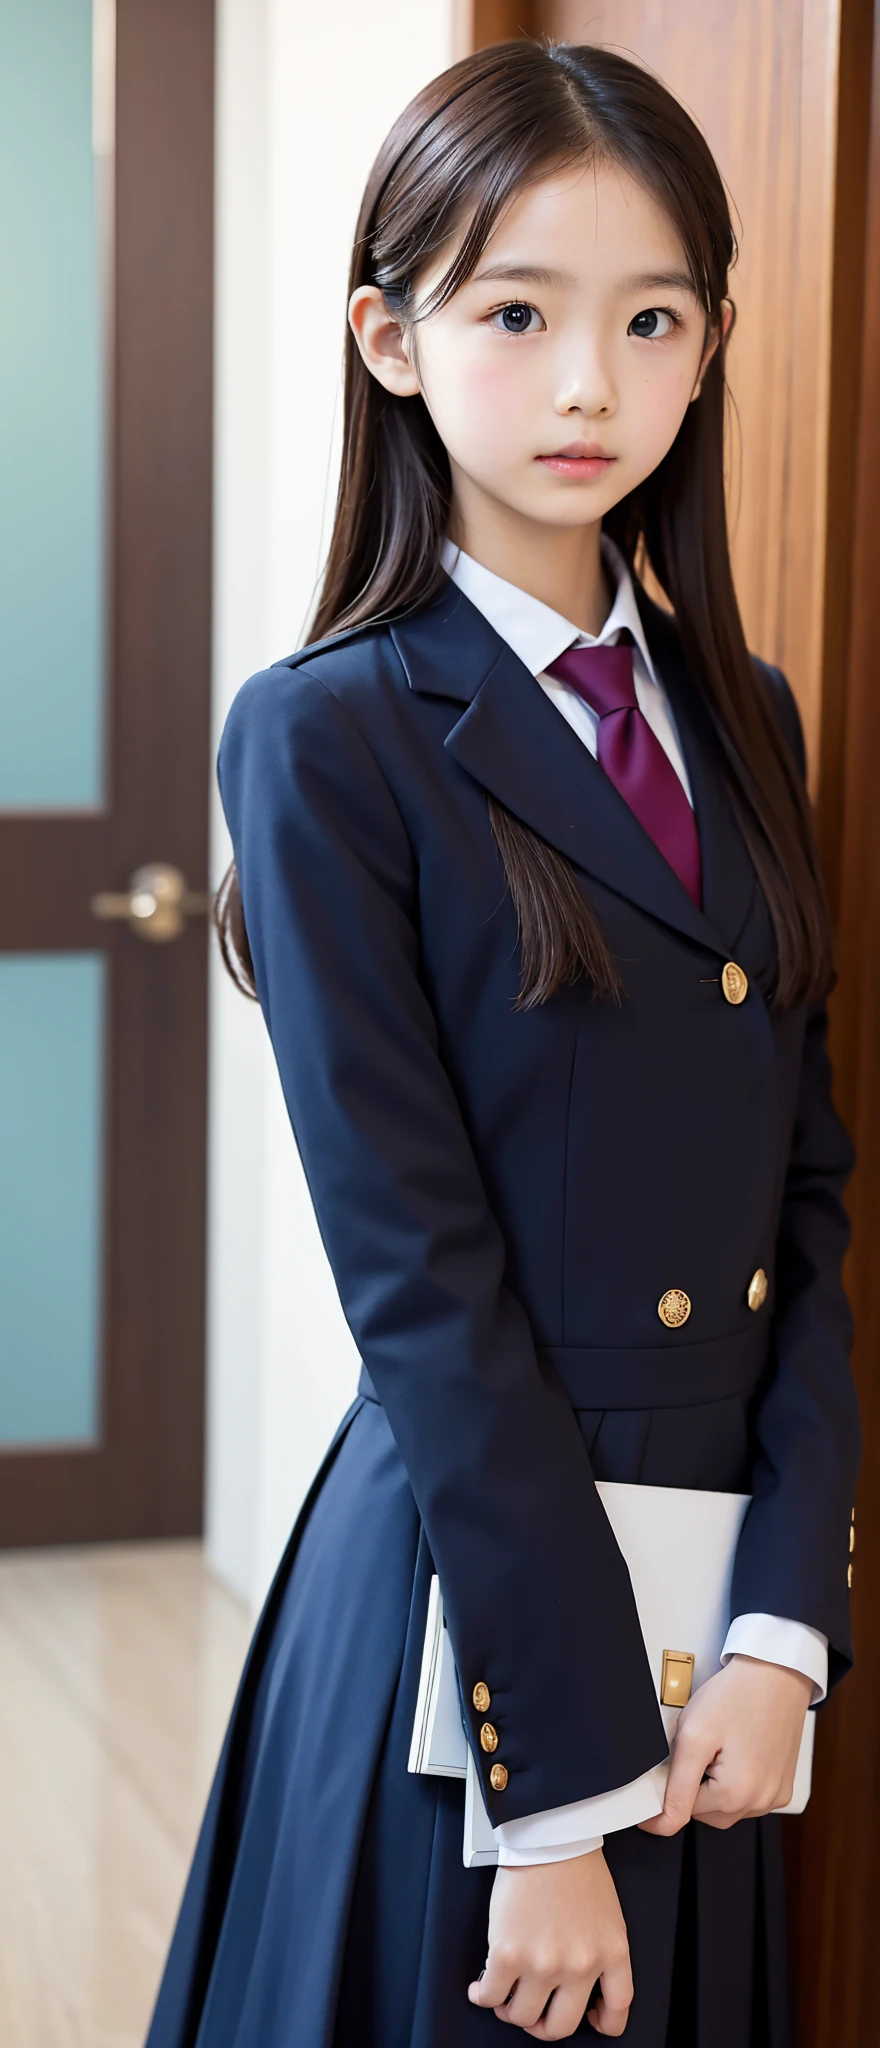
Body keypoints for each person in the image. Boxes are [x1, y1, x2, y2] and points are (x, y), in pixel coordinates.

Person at [145, 40, 860, 2048]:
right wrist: (545, 1788)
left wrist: (782, 1630)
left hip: (707, 1624)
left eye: (647, 321)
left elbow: (808, 1204)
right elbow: (424, 1295)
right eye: (515, 312)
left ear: (711, 344)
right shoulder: (327, 734)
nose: (584, 385)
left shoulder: (748, 722)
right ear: (387, 333)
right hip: (489, 1626)